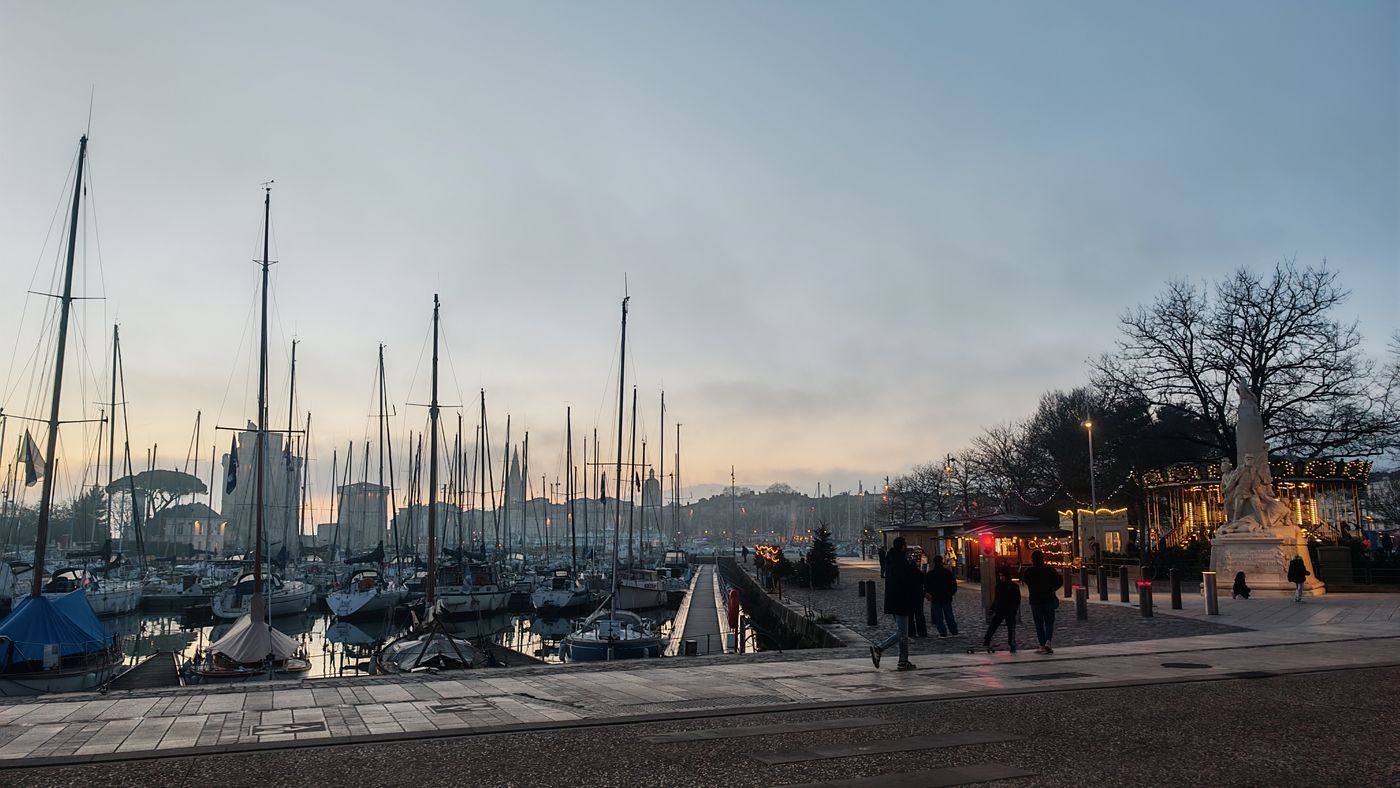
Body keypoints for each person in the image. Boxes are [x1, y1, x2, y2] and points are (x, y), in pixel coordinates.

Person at [871, 536, 920, 671]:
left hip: (893, 600)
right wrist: (913, 566)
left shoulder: (890, 560)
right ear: (903, 546)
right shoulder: (901, 562)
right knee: (902, 633)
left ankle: (903, 661)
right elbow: (908, 579)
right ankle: (880, 648)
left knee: (902, 632)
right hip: (902, 600)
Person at [1021, 551, 1062, 654]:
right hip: (1048, 598)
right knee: (1049, 622)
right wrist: (1052, 589)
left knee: (1038, 623)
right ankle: (1048, 641)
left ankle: (1042, 645)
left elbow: (1026, 581)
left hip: (1035, 600)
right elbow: (1059, 581)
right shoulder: (1049, 570)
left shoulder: (1029, 571)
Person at [982, 566, 1020, 653]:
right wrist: (992, 608)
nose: (1001, 577)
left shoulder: (1013, 587)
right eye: (1000, 576)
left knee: (1011, 628)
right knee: (993, 626)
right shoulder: (999, 586)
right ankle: (987, 640)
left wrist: (1014, 610)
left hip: (1009, 611)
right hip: (1000, 609)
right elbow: (997, 599)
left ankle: (1012, 644)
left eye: (1002, 576)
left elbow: (1017, 600)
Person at [925, 554, 959, 637]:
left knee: (938, 617)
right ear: (941, 562)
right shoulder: (947, 573)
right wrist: (951, 593)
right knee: (949, 615)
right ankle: (954, 631)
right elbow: (953, 584)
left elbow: (927, 585)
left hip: (935, 597)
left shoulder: (931, 574)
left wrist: (928, 594)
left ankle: (942, 632)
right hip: (946, 596)